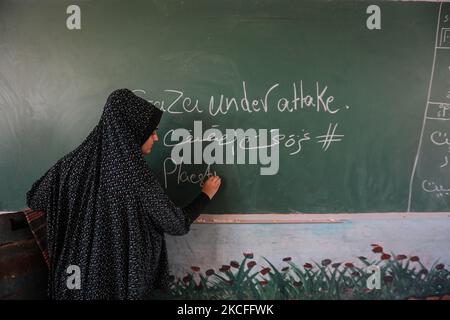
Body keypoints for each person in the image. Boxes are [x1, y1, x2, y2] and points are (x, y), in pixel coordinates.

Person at [25, 88, 221, 299]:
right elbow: (176, 223)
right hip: (114, 286)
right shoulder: (136, 177)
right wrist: (206, 194)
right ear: (132, 131)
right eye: (152, 131)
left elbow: (35, 198)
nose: (156, 138)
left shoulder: (69, 165)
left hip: (71, 280)